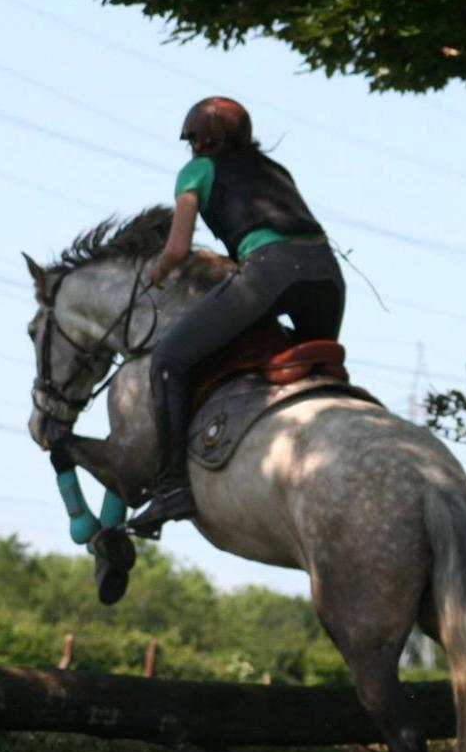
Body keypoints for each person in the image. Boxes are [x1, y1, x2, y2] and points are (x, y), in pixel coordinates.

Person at [130, 97, 345, 536]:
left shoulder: (197, 172)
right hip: (327, 277)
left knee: (170, 360)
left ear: (202, 139)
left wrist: (157, 272)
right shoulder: (275, 171)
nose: (190, 147)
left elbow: (176, 248)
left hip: (272, 272)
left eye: (192, 139)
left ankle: (172, 485)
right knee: (314, 372)